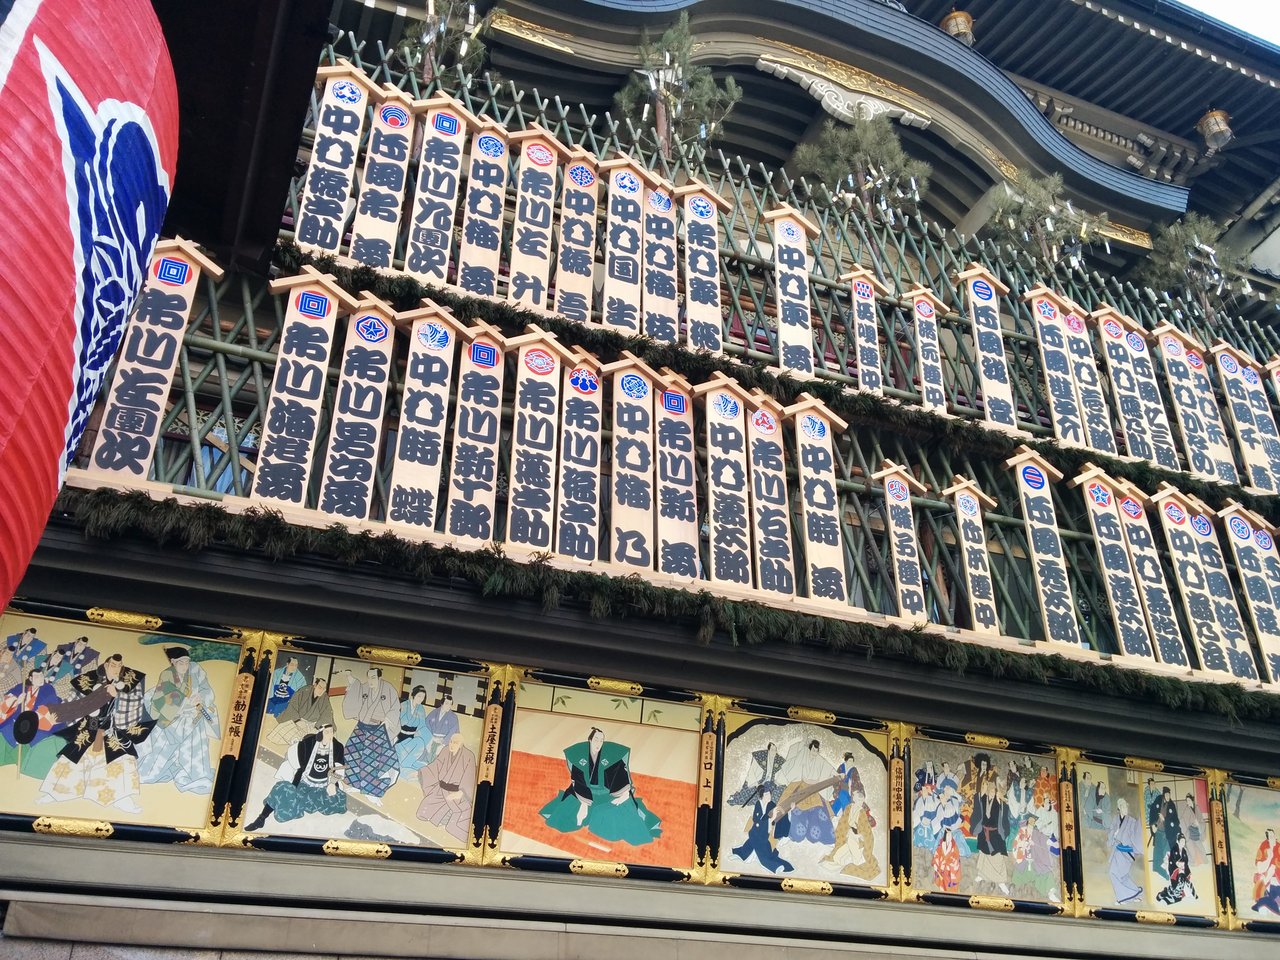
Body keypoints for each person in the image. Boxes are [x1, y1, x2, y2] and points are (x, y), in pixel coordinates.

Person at [38, 654, 155, 812]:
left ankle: (122, 799)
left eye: (119, 665)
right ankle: (56, 794)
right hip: (90, 726)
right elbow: (73, 702)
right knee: (73, 758)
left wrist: (118, 696)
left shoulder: (130, 679)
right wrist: (59, 715)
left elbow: (137, 703)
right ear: (106, 665)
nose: (116, 669)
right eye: (113, 665)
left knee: (121, 760)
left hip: (113, 728)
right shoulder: (90, 679)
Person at [539, 727, 662, 846]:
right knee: (567, 817)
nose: (598, 743)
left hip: (607, 795)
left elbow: (620, 777)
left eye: (601, 740)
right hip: (584, 793)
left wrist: (623, 796)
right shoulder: (578, 755)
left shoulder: (612, 756)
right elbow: (578, 781)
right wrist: (583, 804)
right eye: (596, 739)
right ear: (590, 740)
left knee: (612, 820)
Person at [136, 646, 221, 793]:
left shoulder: (195, 670)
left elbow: (207, 690)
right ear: (173, 662)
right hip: (170, 718)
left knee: (196, 736)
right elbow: (162, 700)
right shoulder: (167, 675)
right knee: (154, 764)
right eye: (181, 663)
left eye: (187, 662)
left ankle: (195, 774)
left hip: (194, 714)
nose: (185, 666)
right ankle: (158, 769)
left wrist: (201, 698)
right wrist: (185, 703)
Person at [244, 724, 346, 831]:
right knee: (281, 788)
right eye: (327, 732)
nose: (330, 735)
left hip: (324, 787)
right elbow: (295, 763)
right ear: (320, 733)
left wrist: (332, 783)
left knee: (335, 801)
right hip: (304, 783)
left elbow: (339, 768)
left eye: (331, 732)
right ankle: (261, 818)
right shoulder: (308, 743)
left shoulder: (337, 747)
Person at [339, 667, 400, 804]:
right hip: (361, 726)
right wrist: (349, 677)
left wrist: (388, 720)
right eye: (369, 677)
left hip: (377, 730)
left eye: (373, 677)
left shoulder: (388, 689)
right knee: (351, 754)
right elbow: (355, 689)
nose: (370, 680)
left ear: (379, 677)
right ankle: (356, 784)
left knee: (371, 761)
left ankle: (371, 791)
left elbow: (395, 707)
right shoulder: (365, 687)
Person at [415, 730, 477, 844]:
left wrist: (461, 792)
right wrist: (421, 772)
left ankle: (447, 817)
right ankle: (444, 816)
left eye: (455, 743)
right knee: (422, 813)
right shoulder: (445, 750)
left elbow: (470, 778)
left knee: (456, 823)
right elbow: (436, 765)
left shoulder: (469, 756)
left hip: (456, 792)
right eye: (451, 742)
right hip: (440, 790)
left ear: (461, 744)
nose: (452, 745)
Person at [0, 667, 63, 778]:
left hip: (38, 722)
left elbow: (50, 706)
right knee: (5, 730)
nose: (40, 678)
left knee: (33, 737)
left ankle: (27, 767)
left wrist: (33, 717)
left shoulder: (48, 688)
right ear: (30, 678)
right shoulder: (22, 687)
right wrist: (17, 701)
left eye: (41, 676)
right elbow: (8, 699)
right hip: (17, 720)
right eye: (37, 676)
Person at [774, 739, 838, 845]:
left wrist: (838, 775)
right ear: (810, 749)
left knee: (821, 814)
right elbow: (794, 761)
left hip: (814, 791)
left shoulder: (820, 760)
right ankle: (788, 834)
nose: (814, 753)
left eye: (816, 751)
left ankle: (827, 839)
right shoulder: (803, 756)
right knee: (795, 813)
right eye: (813, 750)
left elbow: (830, 769)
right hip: (802, 789)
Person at [731, 787, 793, 874]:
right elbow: (757, 820)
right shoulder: (758, 804)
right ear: (761, 796)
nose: (769, 796)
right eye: (766, 795)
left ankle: (740, 854)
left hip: (762, 833)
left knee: (758, 845)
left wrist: (789, 810)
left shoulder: (772, 804)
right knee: (763, 853)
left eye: (769, 794)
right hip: (757, 831)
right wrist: (771, 818)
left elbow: (780, 814)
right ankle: (774, 866)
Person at [970, 779, 1012, 894]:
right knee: (984, 855)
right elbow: (977, 803)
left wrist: (1001, 800)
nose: (992, 793)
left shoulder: (998, 801)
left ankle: (1001, 881)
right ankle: (982, 875)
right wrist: (982, 791)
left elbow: (1005, 808)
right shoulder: (983, 799)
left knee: (998, 858)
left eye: (994, 791)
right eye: (990, 791)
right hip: (984, 833)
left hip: (995, 834)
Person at [400, 691, 459, 773]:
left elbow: (454, 732)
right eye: (446, 703)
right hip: (431, 738)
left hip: (443, 741)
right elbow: (426, 724)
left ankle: (433, 771)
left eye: (450, 704)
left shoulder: (453, 717)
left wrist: (443, 743)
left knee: (439, 756)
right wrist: (430, 738)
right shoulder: (434, 712)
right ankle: (419, 768)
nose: (448, 706)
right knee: (423, 751)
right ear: (442, 703)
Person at [269, 675, 333, 745]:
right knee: (283, 732)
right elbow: (293, 705)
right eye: (320, 687)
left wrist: (318, 727)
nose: (321, 691)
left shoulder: (324, 698)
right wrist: (297, 720)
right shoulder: (304, 691)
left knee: (316, 738)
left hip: (312, 725)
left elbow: (327, 714)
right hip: (296, 720)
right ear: (315, 685)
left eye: (323, 689)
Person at [1010, 812, 1059, 900]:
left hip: (1036, 861)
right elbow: (1016, 845)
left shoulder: (1038, 833)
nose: (1031, 823)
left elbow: (1044, 844)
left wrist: (1035, 844)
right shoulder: (1022, 832)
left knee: (1044, 873)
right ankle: (1013, 889)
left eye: (1033, 822)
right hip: (1024, 861)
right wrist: (1023, 844)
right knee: (1017, 874)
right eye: (1030, 821)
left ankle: (1050, 892)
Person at [1107, 797, 1143, 904]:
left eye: (1126, 807)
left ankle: (1123, 898)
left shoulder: (1132, 821)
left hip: (1126, 852)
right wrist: (1114, 833)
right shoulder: (1115, 819)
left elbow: (1136, 835)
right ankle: (1134, 893)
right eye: (1123, 807)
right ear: (1119, 808)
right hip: (1116, 850)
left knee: (1113, 872)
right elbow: (1111, 831)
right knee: (1123, 875)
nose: (1126, 809)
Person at [1149, 786, 1181, 880]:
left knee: (1166, 854)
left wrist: (1165, 820)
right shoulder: (1159, 799)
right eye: (1166, 795)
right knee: (1157, 856)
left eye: (1169, 795)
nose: (1168, 797)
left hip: (1167, 834)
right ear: (1163, 795)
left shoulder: (1172, 805)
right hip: (1158, 832)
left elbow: (1175, 822)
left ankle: (1170, 875)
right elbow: (1152, 810)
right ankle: (1162, 872)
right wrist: (1152, 825)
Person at [1155, 832, 1195, 905]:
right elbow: (1172, 860)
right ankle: (1164, 894)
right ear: (1178, 841)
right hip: (1174, 868)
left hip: (1182, 869)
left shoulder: (1184, 851)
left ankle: (1166, 894)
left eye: (1184, 841)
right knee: (1177, 885)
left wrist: (1184, 866)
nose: (1183, 843)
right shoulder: (1174, 849)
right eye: (1181, 841)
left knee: (1181, 886)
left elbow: (1186, 861)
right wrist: (1178, 864)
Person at [1253, 828, 1280, 915]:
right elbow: (1260, 868)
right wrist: (1269, 857)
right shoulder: (1264, 846)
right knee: (1260, 878)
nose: (1273, 838)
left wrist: (1274, 869)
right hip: (1266, 877)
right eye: (1270, 837)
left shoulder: (1279, 847)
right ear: (1267, 839)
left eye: (1273, 836)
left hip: (1277, 878)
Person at [830, 752, 863, 818]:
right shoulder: (841, 767)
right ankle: (847, 817)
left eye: (852, 761)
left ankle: (831, 814)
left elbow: (857, 780)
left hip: (850, 789)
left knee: (839, 802)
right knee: (845, 803)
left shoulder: (853, 769)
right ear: (846, 760)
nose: (851, 763)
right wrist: (837, 785)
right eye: (850, 761)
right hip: (840, 788)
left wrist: (855, 790)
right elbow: (835, 777)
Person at [932, 826, 962, 892]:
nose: (949, 837)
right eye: (948, 836)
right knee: (942, 886)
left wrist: (948, 865)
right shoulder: (941, 845)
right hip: (941, 869)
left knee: (950, 888)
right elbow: (937, 855)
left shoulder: (954, 846)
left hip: (950, 870)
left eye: (950, 835)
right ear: (945, 836)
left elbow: (956, 858)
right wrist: (936, 864)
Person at [1181, 793, 1208, 866]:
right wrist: (1191, 824)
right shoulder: (1187, 810)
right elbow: (1183, 821)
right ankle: (1191, 864)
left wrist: (1198, 824)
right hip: (1190, 833)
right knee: (1191, 852)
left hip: (1197, 833)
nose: (1188, 802)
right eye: (1187, 801)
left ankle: (1206, 863)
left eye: (1189, 800)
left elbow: (1201, 820)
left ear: (1192, 800)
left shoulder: (1197, 808)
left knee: (1202, 850)